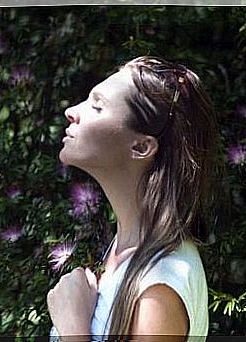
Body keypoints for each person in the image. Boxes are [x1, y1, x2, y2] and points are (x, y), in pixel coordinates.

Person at [47, 56, 219, 342]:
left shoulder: (161, 282)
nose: (71, 111)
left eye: (97, 106)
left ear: (140, 146)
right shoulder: (124, 251)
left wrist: (73, 328)